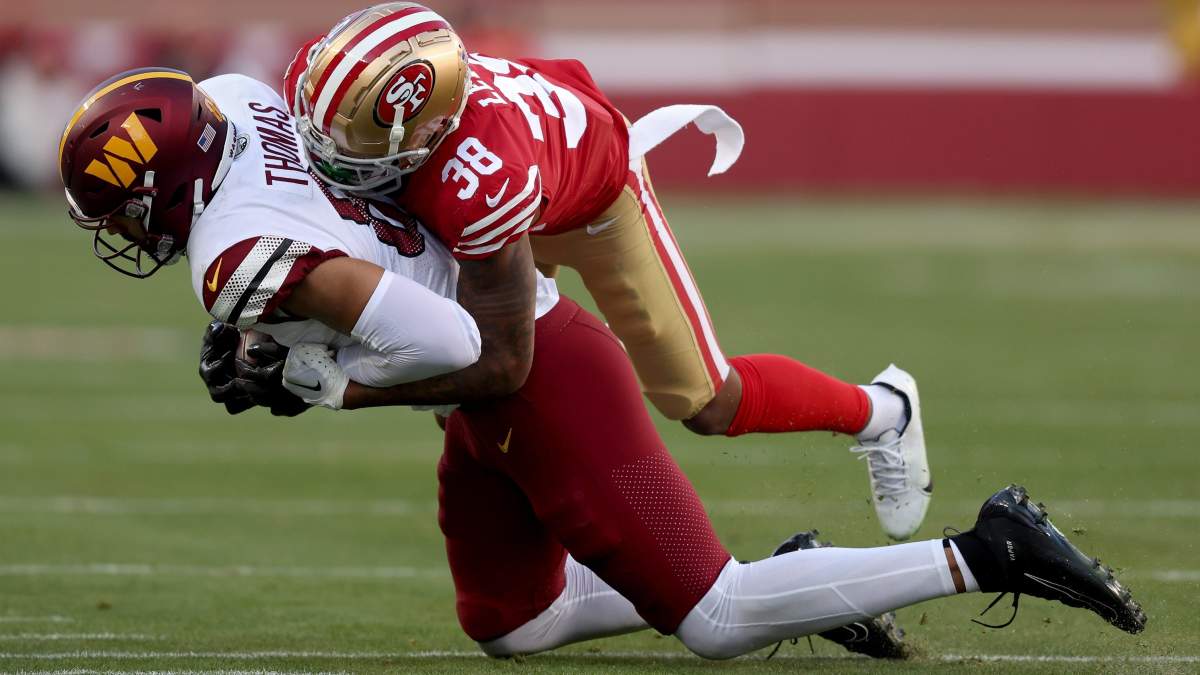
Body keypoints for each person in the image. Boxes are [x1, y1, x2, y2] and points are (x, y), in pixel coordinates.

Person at [59, 67, 1145, 662]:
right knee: (510, 620)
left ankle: (987, 550)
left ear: (169, 185)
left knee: (716, 620)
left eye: (125, 209)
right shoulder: (241, 99)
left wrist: (322, 382)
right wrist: (291, 339)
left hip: (530, 369)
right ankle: (802, 578)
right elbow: (337, 239)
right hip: (491, 367)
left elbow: (463, 348)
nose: (127, 233)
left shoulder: (233, 255)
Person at [283, 3, 931, 542]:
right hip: (510, 184)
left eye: (356, 145)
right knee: (464, 404)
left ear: (430, 129)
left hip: (593, 204)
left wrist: (348, 386)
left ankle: (882, 409)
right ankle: (554, 572)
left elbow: (500, 361)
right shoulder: (340, 86)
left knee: (704, 401)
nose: (329, 153)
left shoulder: (481, 178)